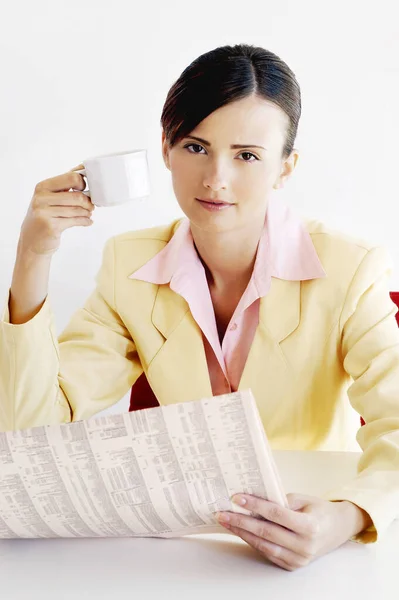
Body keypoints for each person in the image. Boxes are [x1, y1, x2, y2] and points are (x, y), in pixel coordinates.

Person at [1, 43, 399, 572]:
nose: (215, 178)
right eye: (195, 146)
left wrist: (349, 515)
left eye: (247, 155)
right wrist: (33, 254)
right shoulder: (129, 265)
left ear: (286, 167)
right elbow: (32, 431)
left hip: (309, 535)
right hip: (186, 546)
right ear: (165, 149)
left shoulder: (351, 268)